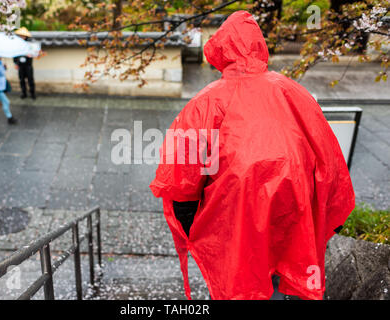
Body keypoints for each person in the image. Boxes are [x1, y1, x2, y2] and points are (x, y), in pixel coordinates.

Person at [150, 11, 355, 300]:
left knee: (240, 285)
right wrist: (328, 213)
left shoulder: (206, 103)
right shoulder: (294, 92)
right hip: (294, 216)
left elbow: (181, 177)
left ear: (222, 50)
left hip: (233, 224)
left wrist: (194, 228)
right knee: (280, 279)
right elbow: (328, 157)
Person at [13, 27, 36, 100]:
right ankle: (24, 93)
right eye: (20, 35)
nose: (22, 37)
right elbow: (15, 54)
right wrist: (15, 63)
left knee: (30, 79)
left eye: (23, 35)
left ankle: (32, 93)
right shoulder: (16, 44)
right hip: (20, 65)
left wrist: (31, 55)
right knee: (21, 80)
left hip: (28, 64)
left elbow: (34, 52)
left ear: (26, 36)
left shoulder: (30, 44)